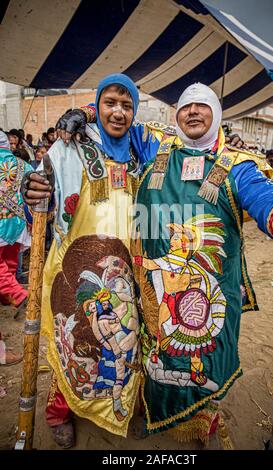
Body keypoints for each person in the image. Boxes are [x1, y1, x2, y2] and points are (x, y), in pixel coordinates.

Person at [129, 83, 273, 446]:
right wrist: (86, 114)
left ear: (216, 115)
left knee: (202, 359)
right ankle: (154, 410)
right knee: (155, 351)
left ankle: (198, 422)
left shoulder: (238, 166)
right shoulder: (155, 148)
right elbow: (121, 117)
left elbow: (264, 198)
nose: (192, 112)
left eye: (201, 106)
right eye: (185, 107)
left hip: (209, 295)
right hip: (155, 287)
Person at [21, 73, 163, 448]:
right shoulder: (72, 145)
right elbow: (41, 192)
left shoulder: (143, 151)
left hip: (126, 272)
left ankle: (127, 405)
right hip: (77, 272)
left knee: (126, 344)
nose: (118, 112)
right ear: (97, 106)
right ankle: (58, 412)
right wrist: (32, 191)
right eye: (109, 103)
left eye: (127, 105)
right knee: (75, 344)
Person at [0, 131, 32, 365]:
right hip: (16, 227)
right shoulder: (22, 164)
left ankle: (16, 294)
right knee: (7, 268)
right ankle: (13, 294)